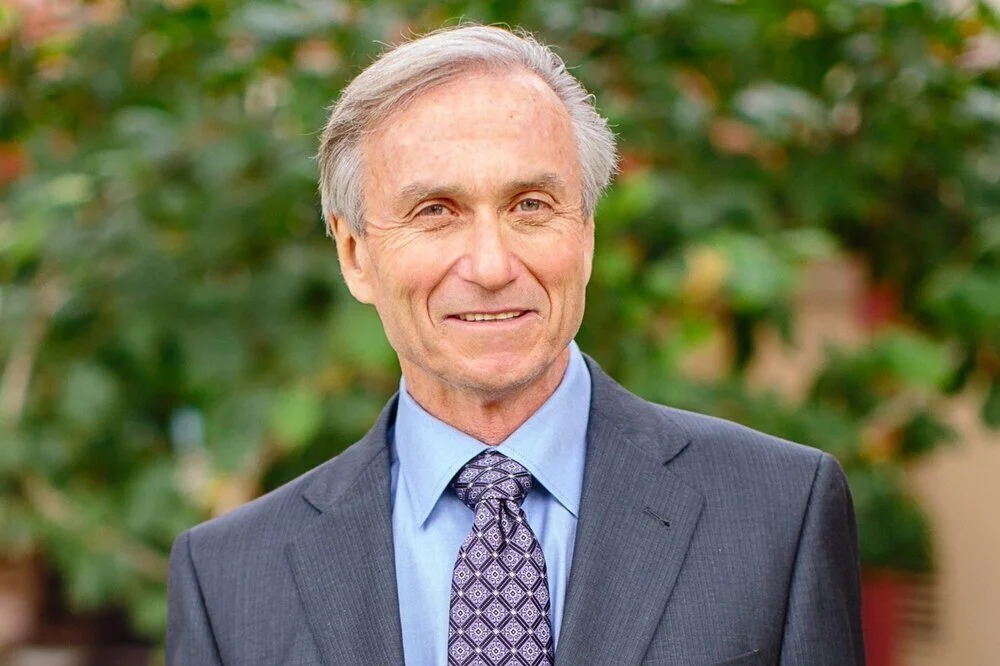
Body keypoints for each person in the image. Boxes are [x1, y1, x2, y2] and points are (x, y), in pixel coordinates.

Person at [166, 25, 864, 666]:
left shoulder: (779, 514)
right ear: (355, 255)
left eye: (530, 205)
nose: (492, 266)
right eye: (435, 211)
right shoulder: (229, 581)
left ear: (585, 234)